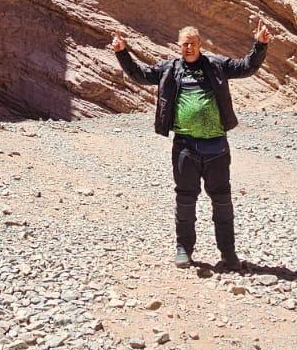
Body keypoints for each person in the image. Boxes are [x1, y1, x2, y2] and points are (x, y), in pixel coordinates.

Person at [110, 19, 270, 269]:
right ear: (179, 46)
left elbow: (245, 67)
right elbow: (141, 75)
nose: (189, 48)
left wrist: (259, 45)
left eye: (193, 44)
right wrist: (122, 52)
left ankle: (228, 254)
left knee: (222, 201)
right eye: (185, 44)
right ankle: (184, 249)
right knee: (185, 200)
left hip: (216, 146)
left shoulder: (216, 65)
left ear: (200, 44)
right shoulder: (170, 69)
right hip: (185, 147)